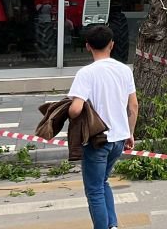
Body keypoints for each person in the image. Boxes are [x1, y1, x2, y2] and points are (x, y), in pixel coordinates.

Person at [68, 24, 138, 229]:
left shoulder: (86, 73)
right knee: (103, 182)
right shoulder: (124, 70)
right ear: (112, 45)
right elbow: (133, 105)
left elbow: (75, 109)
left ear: (87, 46)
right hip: (119, 139)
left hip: (97, 141)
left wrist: (70, 105)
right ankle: (112, 225)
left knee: (94, 190)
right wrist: (130, 133)